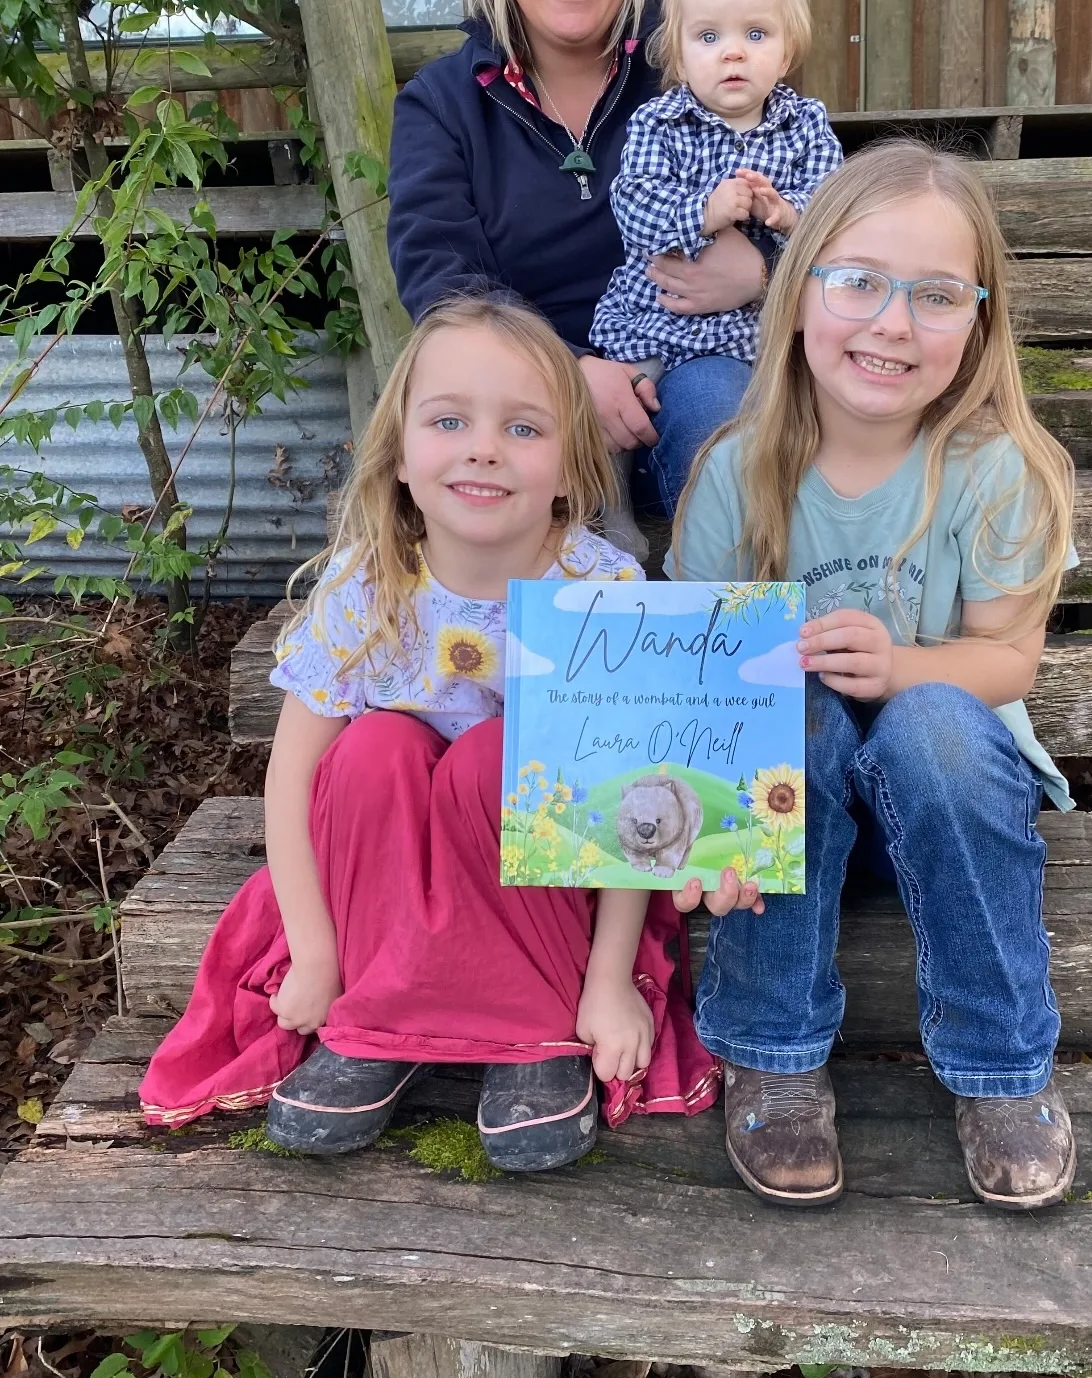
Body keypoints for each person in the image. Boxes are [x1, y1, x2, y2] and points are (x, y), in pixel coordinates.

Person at [139, 294, 720, 1170]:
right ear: (401, 455)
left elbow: (628, 798)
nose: (483, 447)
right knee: (375, 748)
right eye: (450, 421)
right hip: (384, 890)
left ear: (572, 467)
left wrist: (608, 983)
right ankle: (378, 1018)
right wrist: (315, 955)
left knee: (494, 755)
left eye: (523, 428)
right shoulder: (367, 586)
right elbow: (292, 782)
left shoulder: (598, 589)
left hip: (542, 899)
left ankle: (534, 1027)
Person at [668, 139, 1078, 1210]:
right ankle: (772, 1050)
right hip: (789, 823)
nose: (893, 323)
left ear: (978, 321)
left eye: (936, 295)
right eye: (858, 281)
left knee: (932, 717)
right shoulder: (736, 470)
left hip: (949, 812)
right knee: (790, 707)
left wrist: (900, 667)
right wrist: (690, 830)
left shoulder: (996, 469)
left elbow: (1010, 658)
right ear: (800, 292)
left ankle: (1003, 1066)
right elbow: (695, 682)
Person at [387, 0, 772, 515]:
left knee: (725, 431)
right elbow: (444, 290)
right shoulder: (440, 107)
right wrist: (564, 375)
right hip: (517, 397)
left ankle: (736, 588)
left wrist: (765, 272)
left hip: (696, 364)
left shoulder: (700, 70)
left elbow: (822, 214)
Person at [590, 0, 843, 515]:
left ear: (787, 51)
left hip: (759, 336)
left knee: (779, 415)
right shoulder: (660, 123)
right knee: (618, 407)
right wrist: (704, 211)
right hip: (656, 319)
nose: (733, 53)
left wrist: (789, 217)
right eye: (709, 38)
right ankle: (610, 509)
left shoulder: (806, 126)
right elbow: (633, 206)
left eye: (755, 35)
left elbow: (839, 218)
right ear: (679, 57)